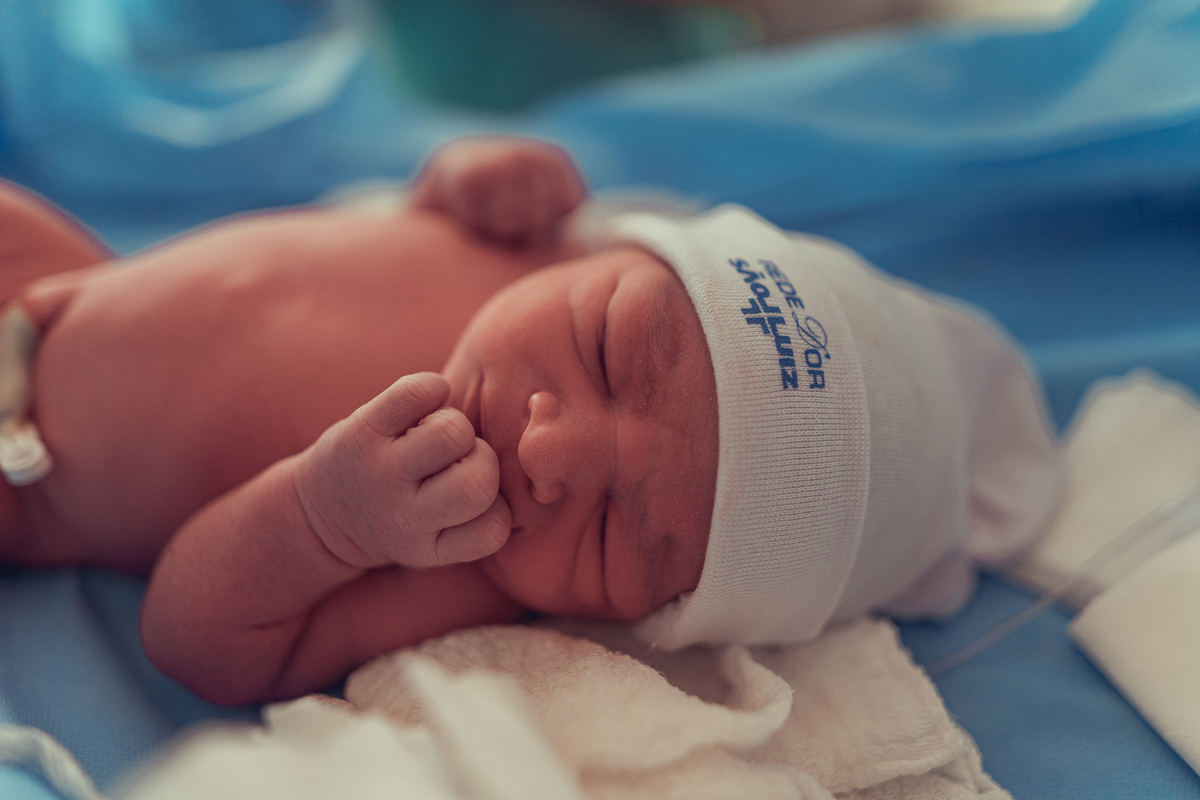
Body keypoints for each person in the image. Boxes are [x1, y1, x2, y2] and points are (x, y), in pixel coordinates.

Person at [0, 136, 1059, 706]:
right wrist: (459, 177)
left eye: (612, 530)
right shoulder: (529, 238)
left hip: (29, 478)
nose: (551, 449)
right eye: (607, 350)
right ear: (617, 248)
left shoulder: (457, 561)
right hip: (59, 275)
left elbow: (198, 648)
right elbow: (373, 219)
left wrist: (324, 522)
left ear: (647, 618)